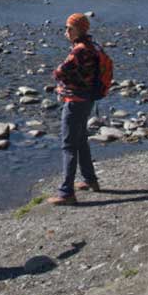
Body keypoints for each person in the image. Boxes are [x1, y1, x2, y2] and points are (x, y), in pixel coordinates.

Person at [47, 13, 103, 205]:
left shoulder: (79, 50)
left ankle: (66, 193)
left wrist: (59, 77)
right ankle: (90, 180)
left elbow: (59, 72)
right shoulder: (92, 46)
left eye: (69, 28)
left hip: (75, 101)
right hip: (87, 99)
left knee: (69, 145)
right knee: (81, 141)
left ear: (79, 29)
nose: (66, 32)